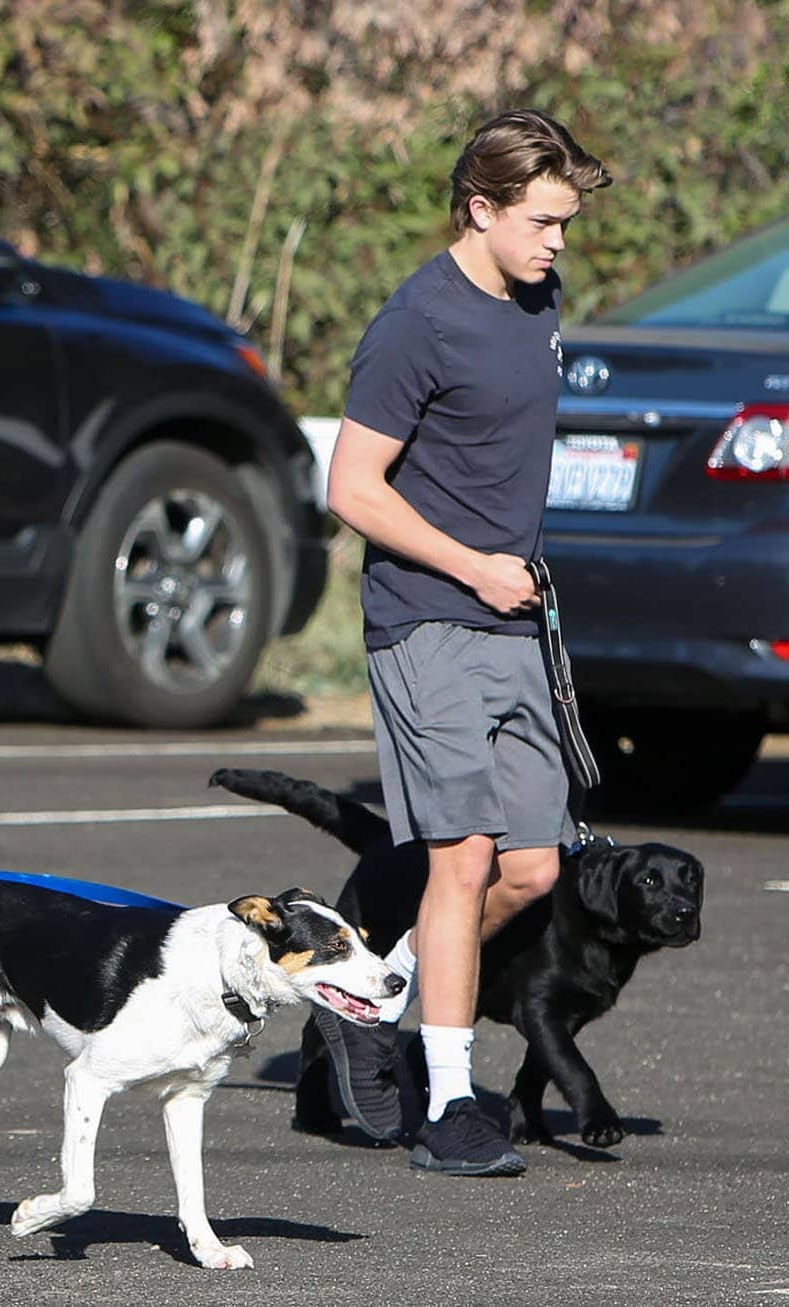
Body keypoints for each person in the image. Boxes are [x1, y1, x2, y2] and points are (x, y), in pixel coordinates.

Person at [324, 111, 611, 1176]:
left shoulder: (534, 293)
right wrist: (468, 564)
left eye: (565, 223)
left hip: (514, 619)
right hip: (427, 616)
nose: (556, 243)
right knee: (464, 855)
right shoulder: (415, 322)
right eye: (540, 221)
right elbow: (350, 487)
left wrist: (509, 577)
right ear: (478, 210)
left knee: (532, 866)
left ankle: (370, 990)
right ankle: (448, 1105)